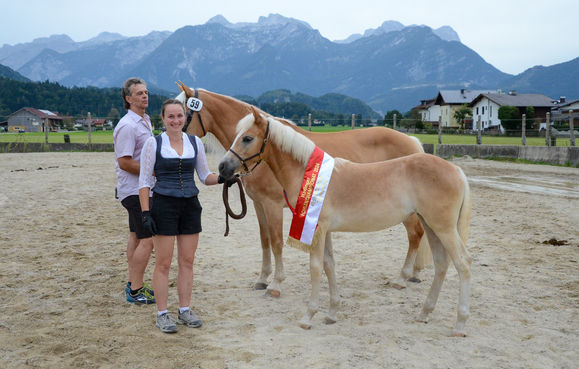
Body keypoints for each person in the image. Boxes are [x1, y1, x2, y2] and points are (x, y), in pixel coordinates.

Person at [138, 98, 229, 333]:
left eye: (179, 116)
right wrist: (146, 213)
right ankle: (162, 313)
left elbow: (204, 175)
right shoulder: (153, 143)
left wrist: (222, 178)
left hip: (190, 205)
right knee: (163, 263)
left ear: (185, 118)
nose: (176, 120)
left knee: (187, 261)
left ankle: (184, 310)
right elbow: (145, 182)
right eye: (171, 116)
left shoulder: (195, 142)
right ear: (163, 119)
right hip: (164, 206)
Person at [113, 77, 155, 305]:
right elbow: (125, 162)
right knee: (148, 240)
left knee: (136, 237)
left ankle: (132, 282)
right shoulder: (128, 126)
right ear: (128, 99)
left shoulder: (144, 120)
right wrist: (155, 169)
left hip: (139, 189)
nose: (145, 96)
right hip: (135, 191)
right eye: (139, 93)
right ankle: (136, 289)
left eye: (146, 92)